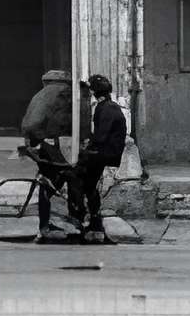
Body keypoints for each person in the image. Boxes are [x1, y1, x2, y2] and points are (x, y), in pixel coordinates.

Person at [19, 67, 89, 241]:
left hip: (43, 145)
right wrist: (48, 139)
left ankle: (56, 222)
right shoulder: (60, 94)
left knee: (54, 181)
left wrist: (35, 142)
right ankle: (59, 223)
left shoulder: (41, 94)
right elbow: (34, 124)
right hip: (53, 146)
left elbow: (29, 125)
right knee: (67, 179)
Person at [78, 72, 128, 243]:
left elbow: (101, 136)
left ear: (94, 92)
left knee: (85, 181)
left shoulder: (105, 108)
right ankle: (92, 219)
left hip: (106, 153)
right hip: (108, 151)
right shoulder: (109, 106)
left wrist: (87, 148)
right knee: (88, 183)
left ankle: (93, 222)